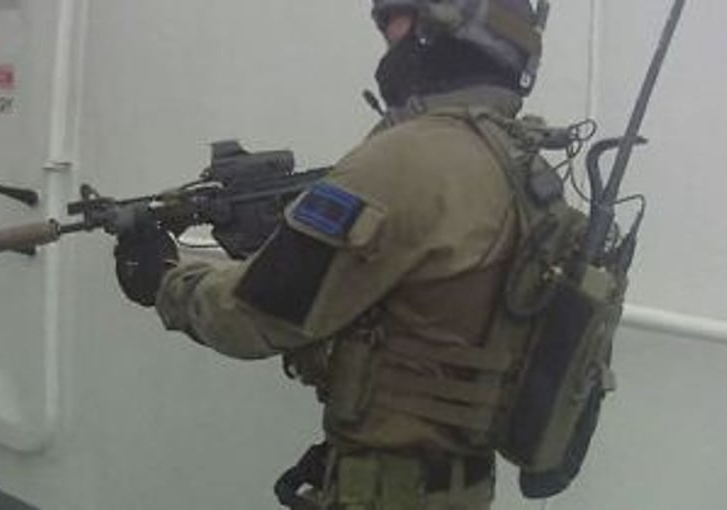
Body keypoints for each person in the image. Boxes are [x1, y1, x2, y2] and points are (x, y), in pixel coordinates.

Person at [114, 1, 549, 508]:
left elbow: (250, 318)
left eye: (398, 18)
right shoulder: (522, 165)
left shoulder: (405, 161)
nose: (387, 35)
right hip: (459, 487)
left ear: (448, 26)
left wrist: (166, 279)